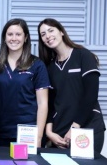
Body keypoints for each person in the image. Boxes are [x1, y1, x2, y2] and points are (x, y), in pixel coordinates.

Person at [37, 18, 105, 153]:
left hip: (87, 128)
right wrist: (49, 132)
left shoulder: (82, 55)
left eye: (51, 30)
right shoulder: (49, 67)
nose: (48, 36)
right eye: (43, 34)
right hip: (61, 133)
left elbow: (91, 95)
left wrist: (75, 127)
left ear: (61, 31)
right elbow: (50, 103)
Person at [0, 18, 50, 147]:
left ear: (25, 38)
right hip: (1, 131)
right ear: (4, 38)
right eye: (10, 34)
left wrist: (39, 136)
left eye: (18, 34)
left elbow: (43, 103)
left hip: (27, 132)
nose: (14, 38)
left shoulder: (37, 65)